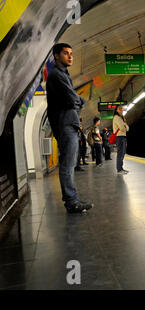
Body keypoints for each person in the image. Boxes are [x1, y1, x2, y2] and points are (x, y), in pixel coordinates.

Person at [46, 43, 93, 213]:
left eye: (71, 53)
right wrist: (79, 100)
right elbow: (72, 99)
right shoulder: (56, 75)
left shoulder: (63, 74)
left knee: (70, 163)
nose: (70, 56)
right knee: (67, 164)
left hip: (68, 122)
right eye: (66, 53)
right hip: (65, 123)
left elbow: (72, 98)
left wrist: (76, 99)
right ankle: (71, 201)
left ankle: (72, 199)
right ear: (56, 55)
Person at [113, 105, 129, 175]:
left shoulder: (121, 118)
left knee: (122, 153)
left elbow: (128, 128)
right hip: (119, 137)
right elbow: (122, 128)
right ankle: (119, 170)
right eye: (119, 109)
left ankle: (121, 168)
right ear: (116, 110)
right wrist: (124, 126)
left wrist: (124, 126)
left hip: (123, 136)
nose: (121, 110)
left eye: (122, 109)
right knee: (120, 153)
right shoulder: (116, 118)